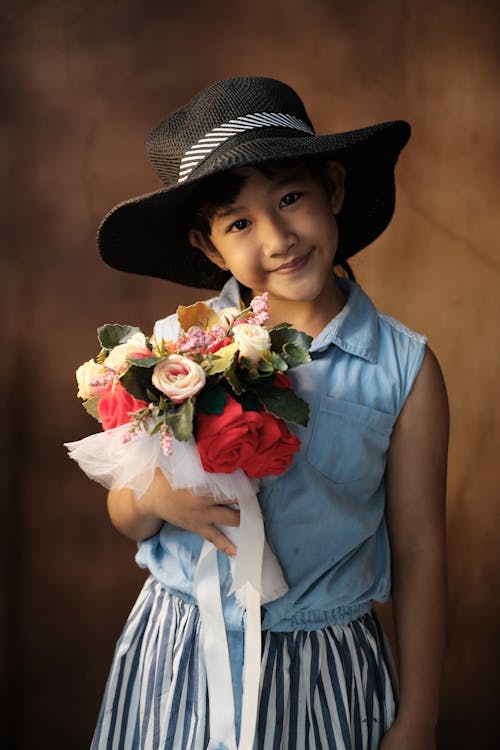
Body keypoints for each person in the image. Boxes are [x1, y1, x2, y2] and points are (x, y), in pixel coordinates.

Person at [90, 77, 448, 749]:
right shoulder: (175, 349)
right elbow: (124, 509)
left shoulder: (404, 371)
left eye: (291, 198)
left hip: (325, 667)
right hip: (183, 653)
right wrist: (161, 497)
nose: (278, 237)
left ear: (334, 189)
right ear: (206, 244)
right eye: (239, 223)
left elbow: (423, 553)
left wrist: (419, 719)